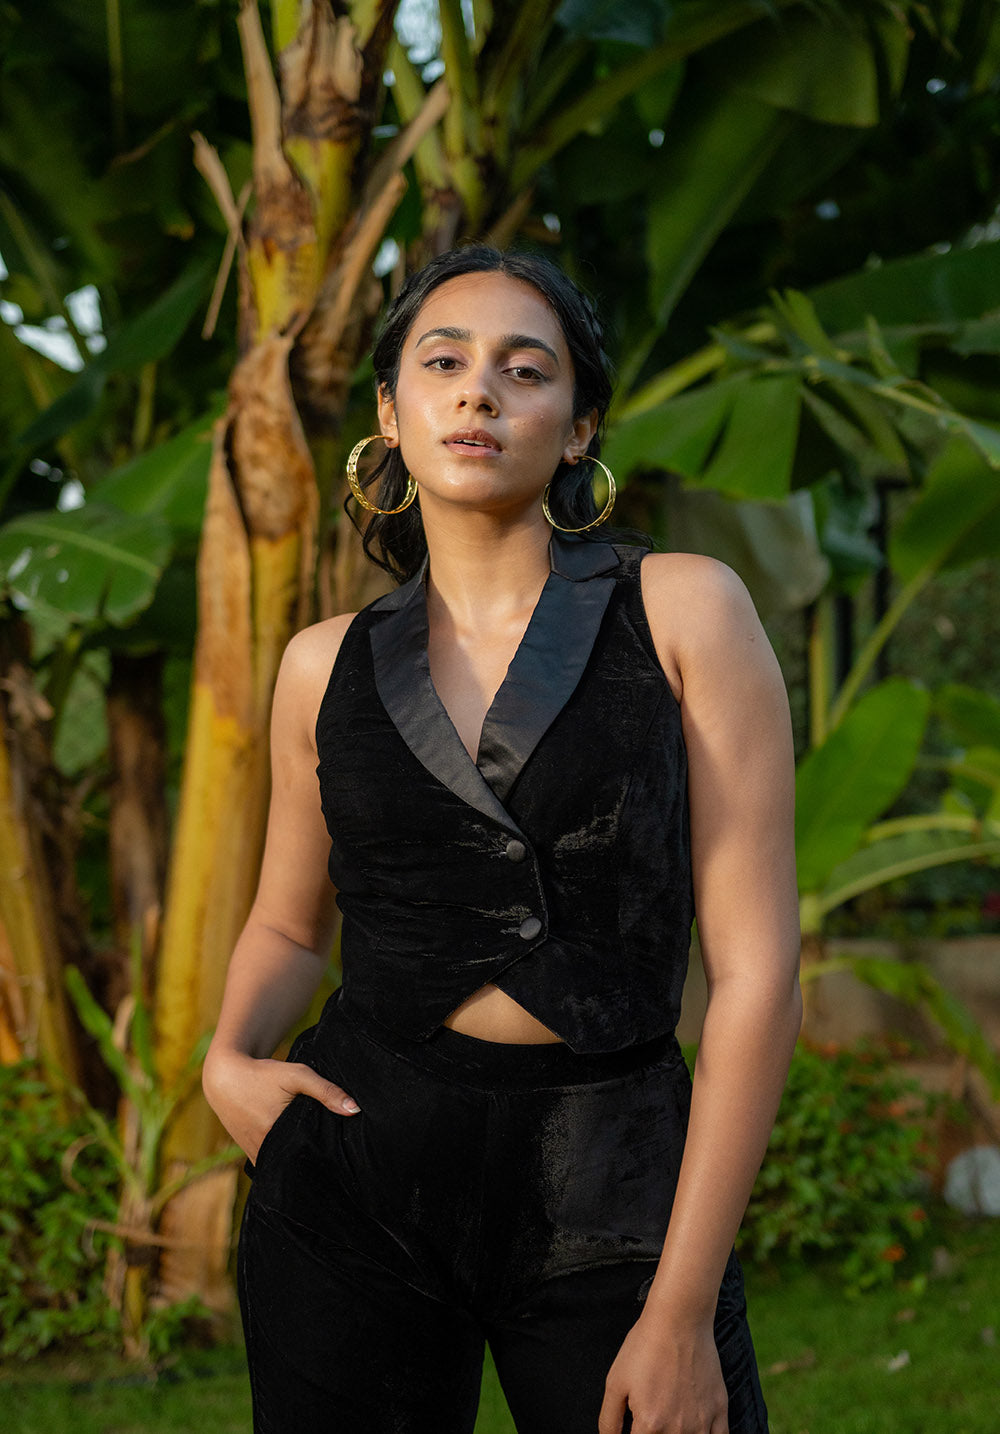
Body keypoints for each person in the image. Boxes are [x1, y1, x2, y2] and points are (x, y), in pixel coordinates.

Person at [202, 244, 802, 1434]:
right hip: (359, 1180)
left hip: (612, 1178)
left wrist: (680, 1310)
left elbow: (758, 973)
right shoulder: (321, 664)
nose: (478, 390)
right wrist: (227, 1056)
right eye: (444, 362)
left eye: (524, 370)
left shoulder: (682, 609)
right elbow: (287, 923)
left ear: (577, 429)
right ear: (391, 413)